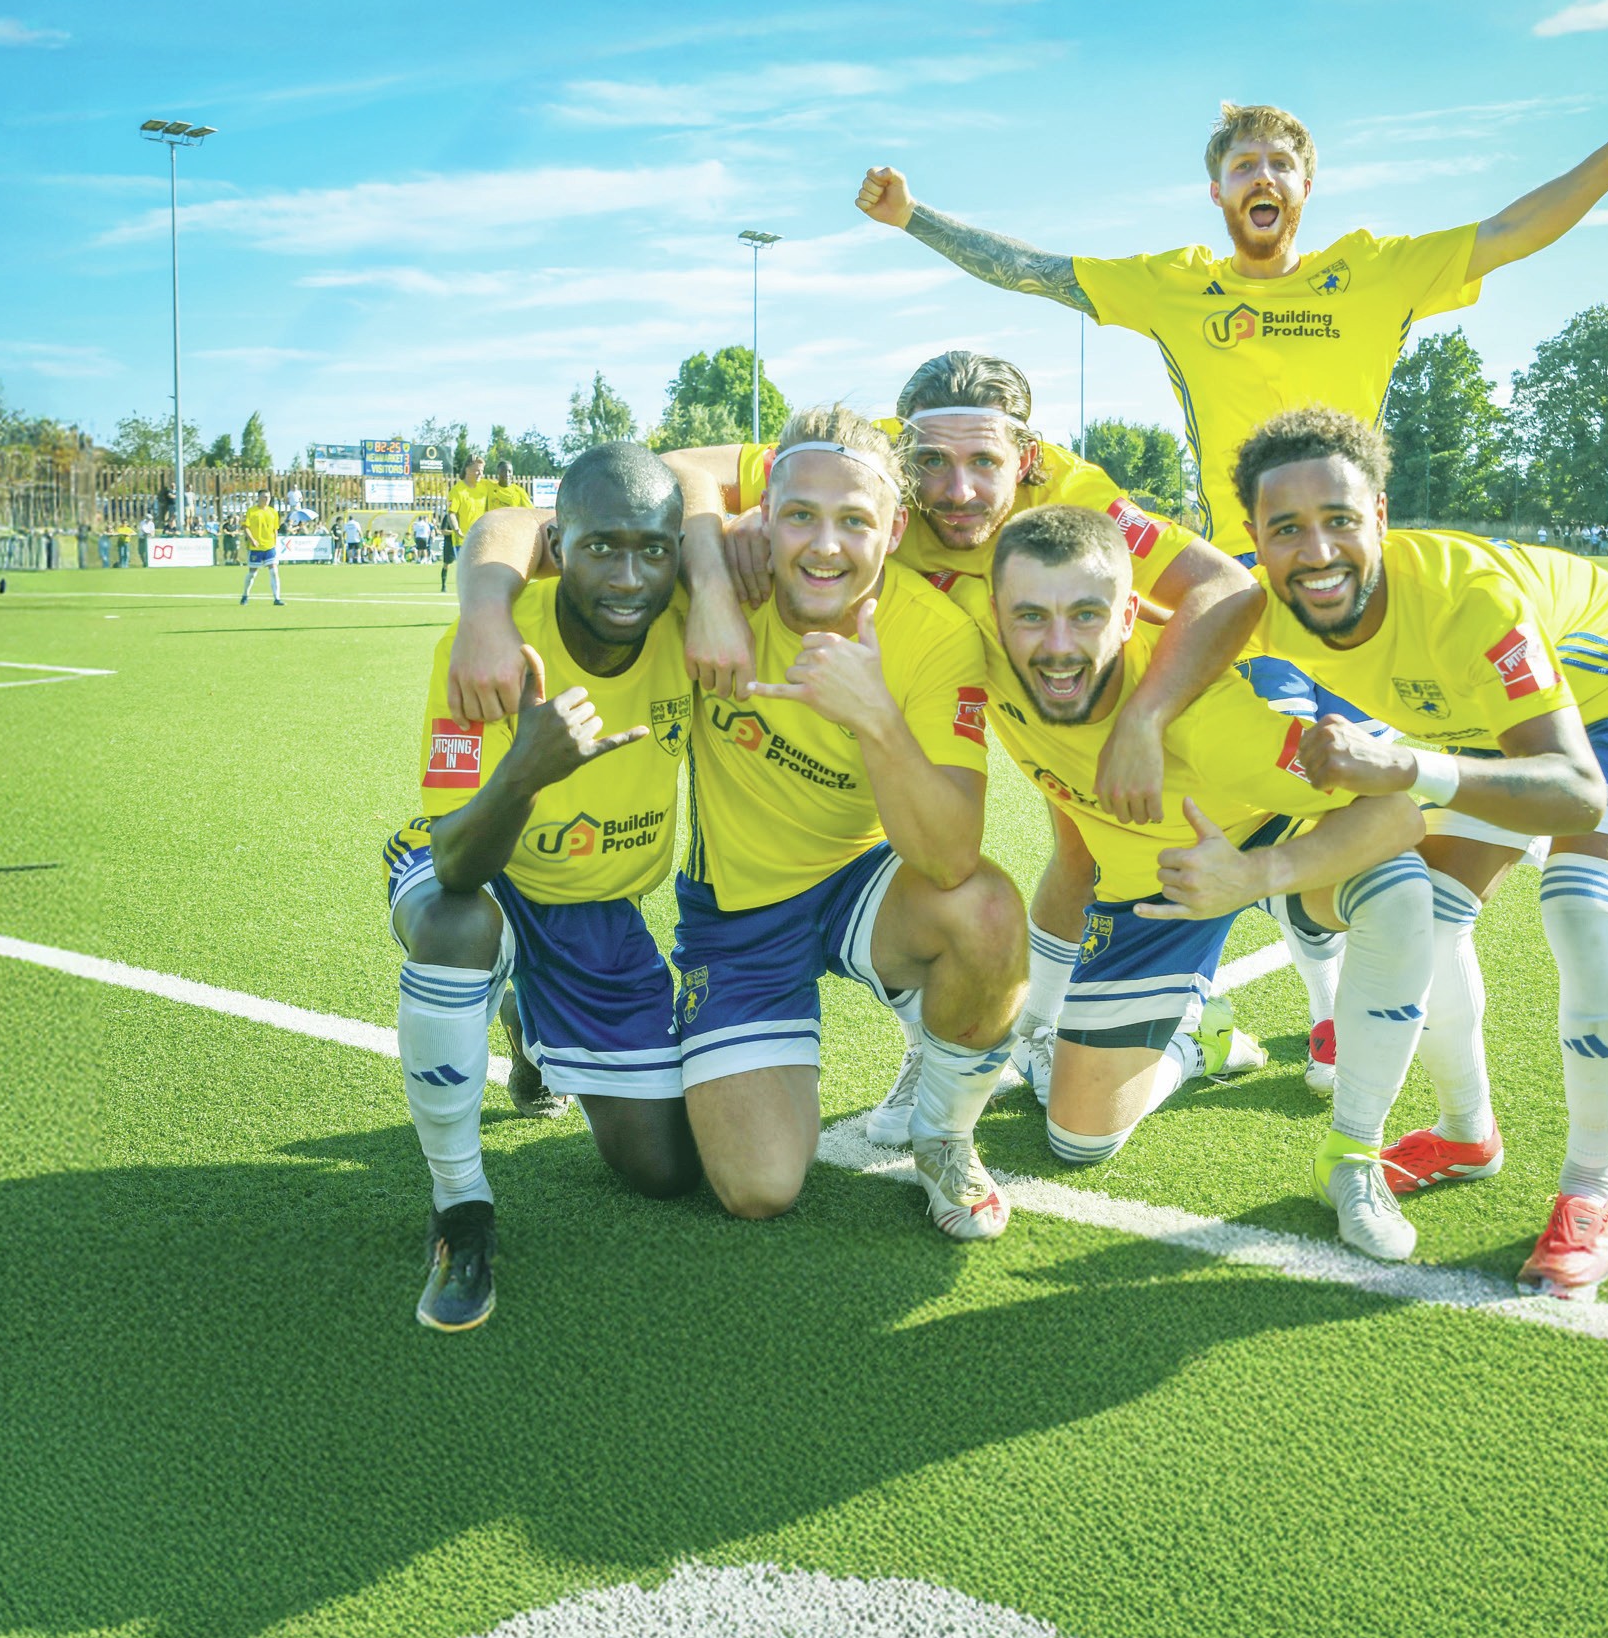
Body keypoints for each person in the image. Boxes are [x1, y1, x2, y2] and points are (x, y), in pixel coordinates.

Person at [578, 348, 1268, 1143]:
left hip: (1125, 721)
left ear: (1028, 458)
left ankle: (1143, 1033)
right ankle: (988, 1035)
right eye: (932, 462)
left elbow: (1228, 586)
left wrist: (1145, 720)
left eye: (984, 463)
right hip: (1009, 703)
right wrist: (711, 572)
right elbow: (683, 468)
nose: (957, 490)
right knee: (1069, 850)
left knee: (1079, 874)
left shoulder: (1075, 496)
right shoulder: (868, 457)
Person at [449, 404, 1029, 1237]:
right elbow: (518, 522)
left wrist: (875, 718)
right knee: (757, 1188)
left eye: (854, 521)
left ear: (896, 529)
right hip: (736, 918)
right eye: (800, 516)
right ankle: (540, 1020)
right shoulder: (712, 578)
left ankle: (943, 1134)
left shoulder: (936, 636)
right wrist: (486, 613)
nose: (824, 546)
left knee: (988, 911)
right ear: (764, 516)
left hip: (860, 883)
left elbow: (947, 859)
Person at [1236, 406, 1608, 1298]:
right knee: (1426, 916)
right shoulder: (1256, 603)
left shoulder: (1465, 596)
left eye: (1340, 519)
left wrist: (1409, 767)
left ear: (1381, 513)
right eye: (1286, 527)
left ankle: (1591, 1188)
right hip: (1479, 718)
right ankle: (1465, 1133)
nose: (1317, 549)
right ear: (1254, 536)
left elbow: (1574, 788)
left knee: (1580, 903)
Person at [855, 74, 1608, 561]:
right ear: (1217, 191)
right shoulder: (1173, 284)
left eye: (1281, 164)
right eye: (1244, 163)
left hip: (1353, 557)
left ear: (1304, 188)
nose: (1263, 175)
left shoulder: (1377, 271)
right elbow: (1033, 271)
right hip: (1238, 564)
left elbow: (1514, 231)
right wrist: (912, 217)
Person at [968, 506, 1436, 1256]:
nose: (1057, 646)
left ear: (1129, 617)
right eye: (1031, 617)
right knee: (1078, 1140)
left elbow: (1397, 813)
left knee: (1399, 888)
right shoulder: (978, 652)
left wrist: (1257, 875)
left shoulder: (1211, 723)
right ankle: (1201, 1043)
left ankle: (1356, 1152)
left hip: (1266, 838)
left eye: (1086, 616)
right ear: (993, 617)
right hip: (1157, 887)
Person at [384, 444, 701, 1332]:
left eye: (653, 550)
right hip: (473, 863)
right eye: (601, 548)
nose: (628, 578)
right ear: (558, 547)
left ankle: (527, 1022)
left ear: (681, 555)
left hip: (595, 905)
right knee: (458, 926)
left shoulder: (693, 627)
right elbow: (456, 860)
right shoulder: (489, 644)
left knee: (666, 1170)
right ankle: (460, 1208)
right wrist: (525, 771)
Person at [239, 494, 284, 607]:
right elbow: (245, 527)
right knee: (252, 573)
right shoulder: (251, 511)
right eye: (264, 497)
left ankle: (277, 598)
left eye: (268, 497)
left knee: (274, 571)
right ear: (259, 498)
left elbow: (275, 529)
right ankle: (245, 595)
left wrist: (275, 542)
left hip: (270, 546)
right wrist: (252, 540)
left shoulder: (273, 512)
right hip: (256, 547)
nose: (267, 499)